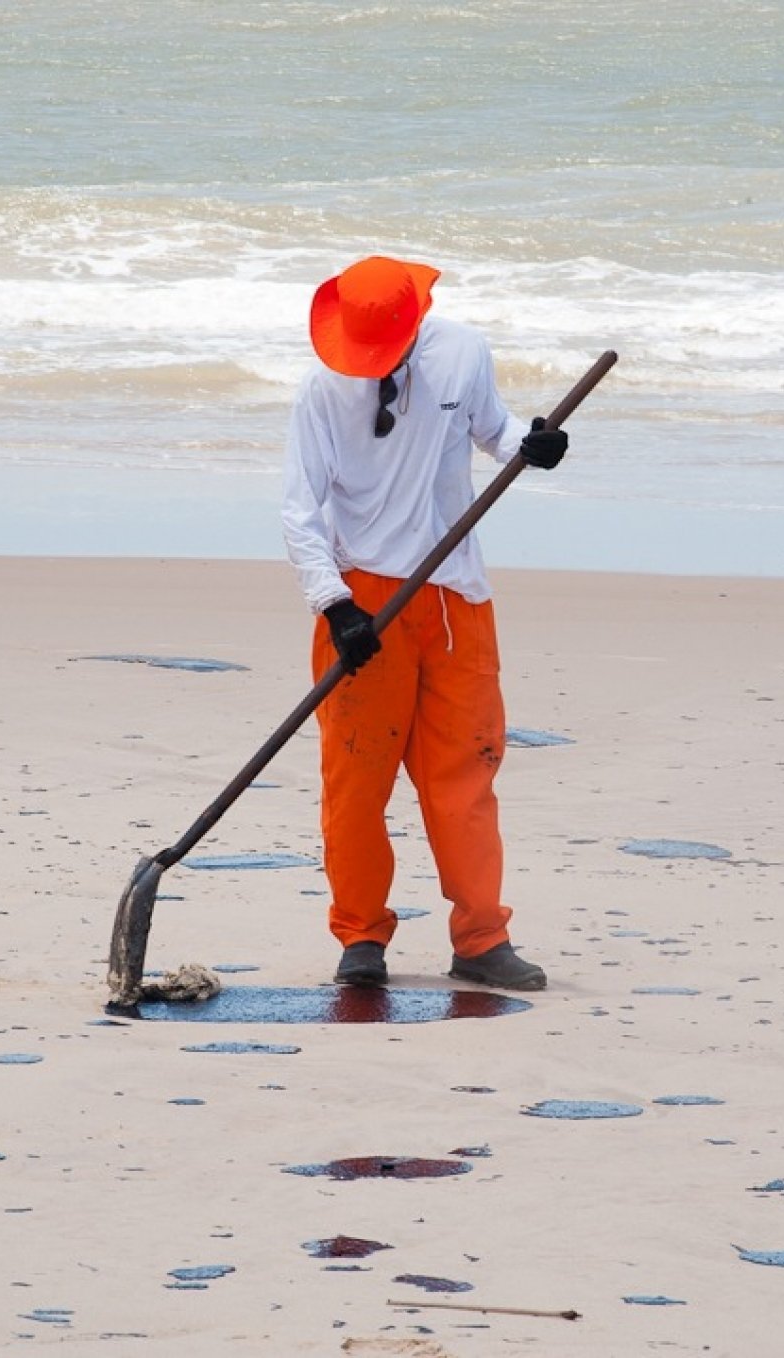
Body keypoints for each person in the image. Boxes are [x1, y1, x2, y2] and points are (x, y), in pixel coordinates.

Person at [280, 255, 567, 991]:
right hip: (362, 601)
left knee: (464, 776)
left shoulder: (463, 352)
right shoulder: (321, 390)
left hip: (453, 599)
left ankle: (481, 939)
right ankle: (362, 937)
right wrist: (334, 603)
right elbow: (300, 510)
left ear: (413, 324)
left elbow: (493, 431)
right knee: (355, 780)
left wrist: (528, 448)